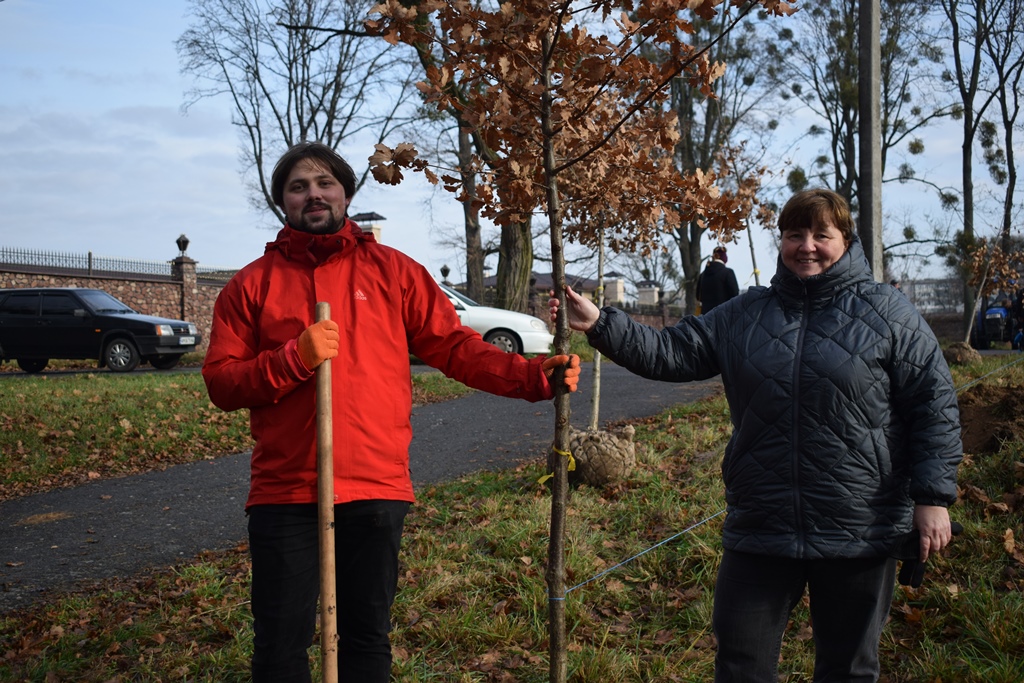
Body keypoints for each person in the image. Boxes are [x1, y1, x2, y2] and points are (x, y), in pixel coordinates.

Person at [202, 141, 580, 683]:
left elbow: (454, 347)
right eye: (298, 186)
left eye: (325, 183)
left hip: (374, 484)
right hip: (285, 490)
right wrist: (293, 359)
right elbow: (222, 382)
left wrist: (531, 376)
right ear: (281, 201)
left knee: (366, 635)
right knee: (280, 644)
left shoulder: (395, 272)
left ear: (346, 193)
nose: (314, 194)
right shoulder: (250, 285)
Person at [550, 188, 962, 682]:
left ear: (846, 241)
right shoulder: (745, 314)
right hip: (761, 522)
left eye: (820, 235)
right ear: (781, 243)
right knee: (741, 664)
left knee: (848, 669)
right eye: (794, 234)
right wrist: (600, 323)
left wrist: (932, 498)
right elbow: (670, 352)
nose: (806, 246)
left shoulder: (890, 315)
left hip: (860, 524)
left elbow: (933, 406)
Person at [695, 245, 740, 313]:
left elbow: (698, 297)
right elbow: (735, 294)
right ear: (724, 259)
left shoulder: (702, 275)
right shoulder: (728, 273)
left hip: (705, 317)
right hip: (723, 316)